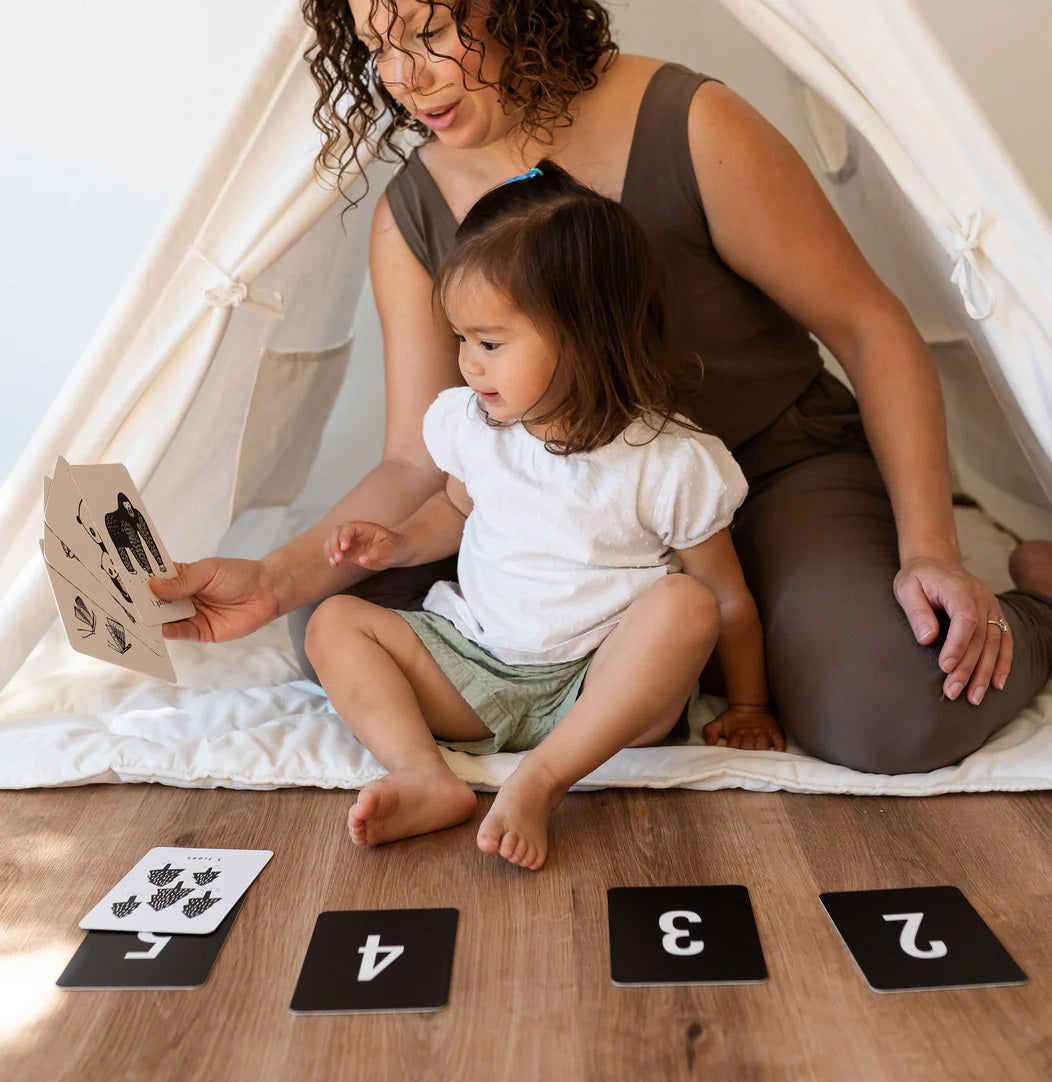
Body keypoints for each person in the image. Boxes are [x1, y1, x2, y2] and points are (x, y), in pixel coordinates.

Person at [151, 0, 1052, 776]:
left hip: (766, 473)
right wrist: (274, 579)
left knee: (886, 712)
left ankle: (1038, 602)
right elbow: (413, 457)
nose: (403, 79)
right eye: (375, 46)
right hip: (565, 508)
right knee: (335, 621)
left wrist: (929, 548)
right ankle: (688, 653)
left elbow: (871, 327)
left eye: (427, 33)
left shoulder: (692, 122)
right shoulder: (413, 211)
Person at [308, 162, 781, 869]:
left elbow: (726, 598)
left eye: (490, 343)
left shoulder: (667, 460)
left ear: (585, 335)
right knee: (333, 624)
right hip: (479, 668)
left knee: (684, 603)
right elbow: (456, 512)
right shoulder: (473, 426)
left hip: (604, 694)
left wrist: (747, 705)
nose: (469, 364)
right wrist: (399, 542)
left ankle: (544, 777)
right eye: (462, 340)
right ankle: (420, 773)